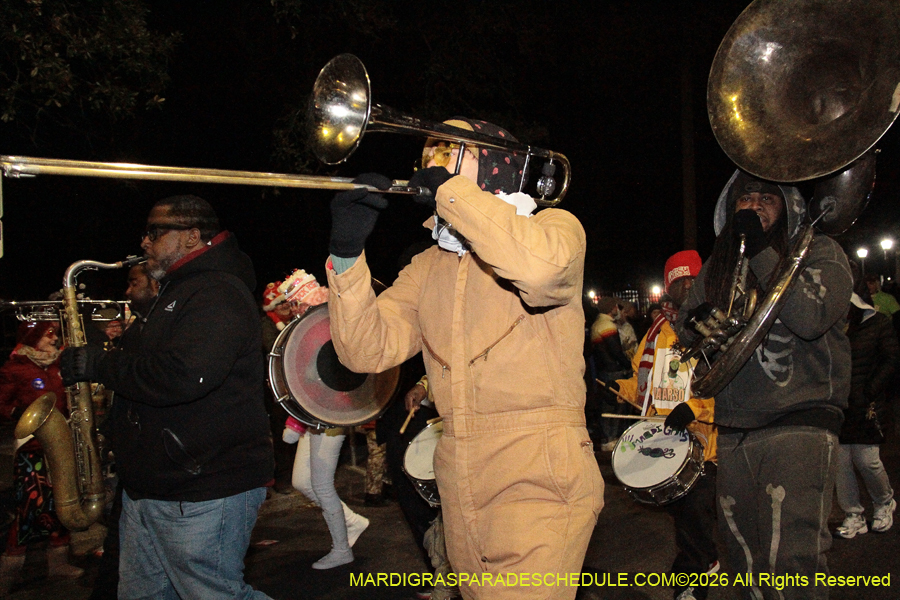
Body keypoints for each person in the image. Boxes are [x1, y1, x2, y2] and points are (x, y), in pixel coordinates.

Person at [324, 118, 603, 600]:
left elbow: (540, 271)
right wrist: (346, 255)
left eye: (449, 149)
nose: (431, 160)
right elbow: (364, 349)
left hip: (538, 469)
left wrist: (452, 194)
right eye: (429, 150)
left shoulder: (553, 227)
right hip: (458, 476)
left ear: (495, 163)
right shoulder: (428, 266)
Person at [60, 195, 274, 599]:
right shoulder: (182, 290)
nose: (145, 241)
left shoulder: (217, 291)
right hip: (158, 486)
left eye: (155, 232)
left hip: (201, 487)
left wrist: (101, 366)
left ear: (192, 235)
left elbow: (184, 376)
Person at [676, 171, 852, 600]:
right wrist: (698, 324)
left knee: (791, 560)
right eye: (745, 199)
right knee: (743, 562)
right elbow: (685, 326)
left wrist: (759, 250)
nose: (754, 206)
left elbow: (810, 317)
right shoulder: (720, 264)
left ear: (789, 207)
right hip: (735, 426)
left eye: (766, 199)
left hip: (800, 420)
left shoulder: (820, 251)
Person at [612, 250, 718, 600]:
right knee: (684, 516)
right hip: (666, 440)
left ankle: (695, 576)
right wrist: (618, 389)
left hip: (704, 444)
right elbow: (643, 384)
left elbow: (727, 385)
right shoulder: (657, 333)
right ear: (668, 288)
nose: (686, 287)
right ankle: (700, 563)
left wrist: (693, 409)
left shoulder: (714, 328)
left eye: (693, 280)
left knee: (694, 514)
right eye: (679, 281)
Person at [277, 269, 369, 570]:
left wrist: (294, 422)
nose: (292, 309)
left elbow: (317, 381)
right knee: (302, 481)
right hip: (314, 414)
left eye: (295, 303)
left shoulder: (324, 326)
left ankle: (341, 549)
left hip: (331, 414)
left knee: (321, 484)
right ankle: (352, 521)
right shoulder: (308, 327)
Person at [0, 321, 84, 596]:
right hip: (31, 448)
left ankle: (58, 563)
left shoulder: (59, 364)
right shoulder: (15, 368)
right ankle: (10, 568)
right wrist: (20, 415)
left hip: (59, 444)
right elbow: (2, 403)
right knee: (29, 508)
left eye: (54, 335)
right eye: (48, 336)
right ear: (33, 338)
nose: (54, 339)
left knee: (62, 503)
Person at [834, 292, 897, 538]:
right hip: (840, 403)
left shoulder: (878, 323)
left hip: (866, 403)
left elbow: (891, 358)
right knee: (841, 463)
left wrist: (872, 389)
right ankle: (853, 514)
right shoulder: (835, 325)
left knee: (867, 460)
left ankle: (884, 502)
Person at [593, 296, 634, 450]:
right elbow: (615, 351)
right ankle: (612, 437)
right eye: (616, 306)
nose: (618, 309)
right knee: (616, 405)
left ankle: (609, 436)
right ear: (611, 308)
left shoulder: (598, 323)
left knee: (608, 404)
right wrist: (627, 364)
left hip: (605, 370)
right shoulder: (607, 325)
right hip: (613, 371)